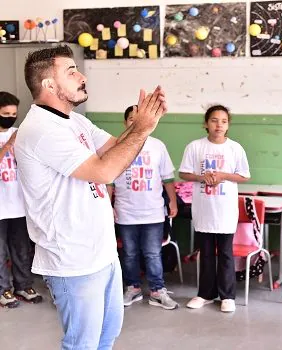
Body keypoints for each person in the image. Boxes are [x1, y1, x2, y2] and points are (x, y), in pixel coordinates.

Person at [15, 45, 167, 349]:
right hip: (73, 261)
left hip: (101, 253)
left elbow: (114, 148)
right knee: (82, 344)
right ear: (49, 85)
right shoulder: (42, 130)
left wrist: (140, 127)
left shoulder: (74, 121)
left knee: (105, 338)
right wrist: (142, 130)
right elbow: (104, 171)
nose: (81, 76)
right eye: (70, 72)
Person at [179, 105, 250, 313]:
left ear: (228, 125)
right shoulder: (195, 147)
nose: (219, 125)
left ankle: (227, 296)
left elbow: (245, 176)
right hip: (203, 208)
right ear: (206, 123)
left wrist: (223, 175)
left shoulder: (235, 148)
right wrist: (202, 177)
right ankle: (205, 294)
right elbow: (184, 173)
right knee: (207, 253)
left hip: (225, 209)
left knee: (226, 253)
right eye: (214, 120)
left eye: (224, 121)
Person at [108, 105, 178, 310]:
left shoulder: (158, 146)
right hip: (126, 212)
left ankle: (157, 291)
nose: (136, 123)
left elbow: (167, 178)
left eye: (140, 119)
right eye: (131, 119)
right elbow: (109, 179)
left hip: (153, 212)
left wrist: (172, 201)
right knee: (129, 253)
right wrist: (107, 204)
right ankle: (133, 288)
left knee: (153, 253)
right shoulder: (117, 146)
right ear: (125, 122)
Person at [0, 91, 43, 308]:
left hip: (20, 207)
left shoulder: (21, 133)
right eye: (5, 113)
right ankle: (3, 290)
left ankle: (23, 286)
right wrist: (7, 146)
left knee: (21, 250)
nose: (11, 117)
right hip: (0, 209)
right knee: (0, 253)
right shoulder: (10, 138)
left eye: (14, 113)